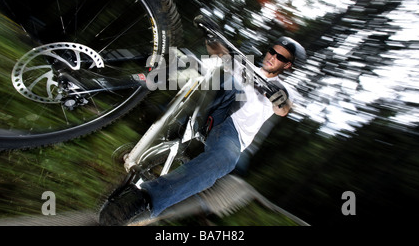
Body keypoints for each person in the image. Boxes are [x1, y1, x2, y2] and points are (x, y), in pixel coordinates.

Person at [99, 18, 306, 226]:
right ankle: (99, 77)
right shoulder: (245, 64)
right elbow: (218, 52)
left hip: (232, 133)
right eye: (272, 51)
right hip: (209, 105)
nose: (272, 57)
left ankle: (142, 200)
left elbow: (284, 108)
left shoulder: (282, 89)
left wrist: (278, 98)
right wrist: (212, 36)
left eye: (280, 57)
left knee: (225, 159)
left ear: (287, 65)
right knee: (185, 61)